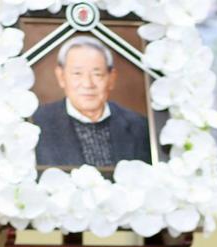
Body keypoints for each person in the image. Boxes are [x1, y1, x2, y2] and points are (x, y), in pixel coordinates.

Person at [32, 36, 152, 169]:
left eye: (97, 74)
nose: (88, 84)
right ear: (61, 77)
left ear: (111, 78)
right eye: (77, 73)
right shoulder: (35, 125)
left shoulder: (141, 127)